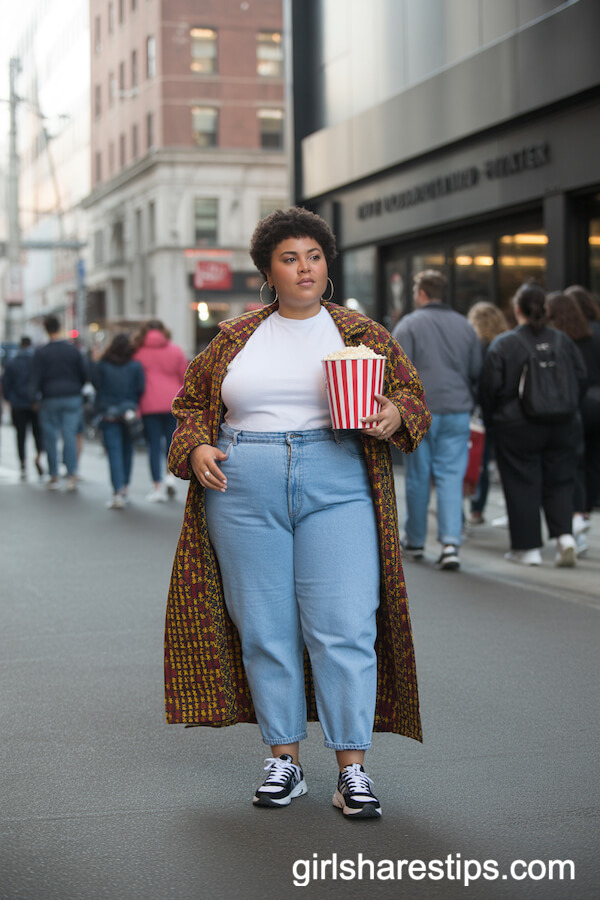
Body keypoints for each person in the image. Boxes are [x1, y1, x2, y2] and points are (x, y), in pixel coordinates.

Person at [164, 207, 431, 818]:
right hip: (242, 485)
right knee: (265, 627)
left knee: (345, 624)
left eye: (314, 256)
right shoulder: (234, 337)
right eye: (290, 258)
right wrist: (199, 445)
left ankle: (351, 770)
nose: (304, 268)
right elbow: (191, 405)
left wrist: (393, 414)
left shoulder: (361, 333)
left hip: (338, 480)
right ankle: (284, 759)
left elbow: (412, 396)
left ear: (326, 265)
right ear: (268, 272)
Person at [480, 283, 588, 567]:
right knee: (560, 481)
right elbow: (581, 379)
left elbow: (489, 388)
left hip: (517, 425)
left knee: (521, 483)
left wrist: (492, 421)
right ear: (545, 309)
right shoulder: (563, 341)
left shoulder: (505, 344)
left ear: (517, 309)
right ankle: (564, 536)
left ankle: (527, 549)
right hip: (563, 423)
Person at [392, 269, 482, 570]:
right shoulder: (465, 326)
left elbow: (396, 369)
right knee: (451, 476)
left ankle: (415, 541)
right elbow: (475, 369)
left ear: (421, 294)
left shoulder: (409, 324)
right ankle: (450, 544)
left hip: (420, 412)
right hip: (457, 409)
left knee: (418, 476)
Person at [546, 291, 600, 552]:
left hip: (576, 406)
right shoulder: (594, 333)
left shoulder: (558, 339)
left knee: (573, 464)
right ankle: (584, 513)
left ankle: (577, 517)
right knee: (593, 462)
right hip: (598, 404)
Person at [132, 320, 188, 502]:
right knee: (172, 443)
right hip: (172, 401)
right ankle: (170, 477)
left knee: (153, 445)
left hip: (148, 403)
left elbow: (135, 380)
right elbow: (185, 377)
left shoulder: (138, 352)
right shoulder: (176, 350)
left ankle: (157, 487)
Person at [32, 315, 88, 491]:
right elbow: (84, 373)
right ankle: (71, 474)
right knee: (70, 435)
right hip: (72, 396)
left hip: (49, 397)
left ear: (46, 329)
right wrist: (77, 387)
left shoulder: (42, 352)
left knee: (51, 436)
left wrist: (34, 398)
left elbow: (35, 377)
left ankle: (54, 475)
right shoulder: (73, 350)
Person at [466, 302, 509, 524]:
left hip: (481, 411)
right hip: (504, 411)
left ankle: (476, 509)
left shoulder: (476, 345)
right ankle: (504, 509)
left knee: (479, 460)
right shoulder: (505, 343)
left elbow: (475, 377)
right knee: (504, 462)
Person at [92, 333, 145, 509]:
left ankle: (117, 492)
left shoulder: (103, 365)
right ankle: (125, 488)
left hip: (108, 412)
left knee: (113, 452)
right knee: (127, 450)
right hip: (128, 412)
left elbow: (96, 384)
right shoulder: (135, 366)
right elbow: (140, 388)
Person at [1, 336, 44, 480]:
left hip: (18, 404)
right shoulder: (37, 362)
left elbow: (6, 384)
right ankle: (38, 456)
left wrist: (10, 399)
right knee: (38, 433)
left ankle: (23, 464)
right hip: (35, 403)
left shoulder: (12, 362)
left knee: (20, 435)